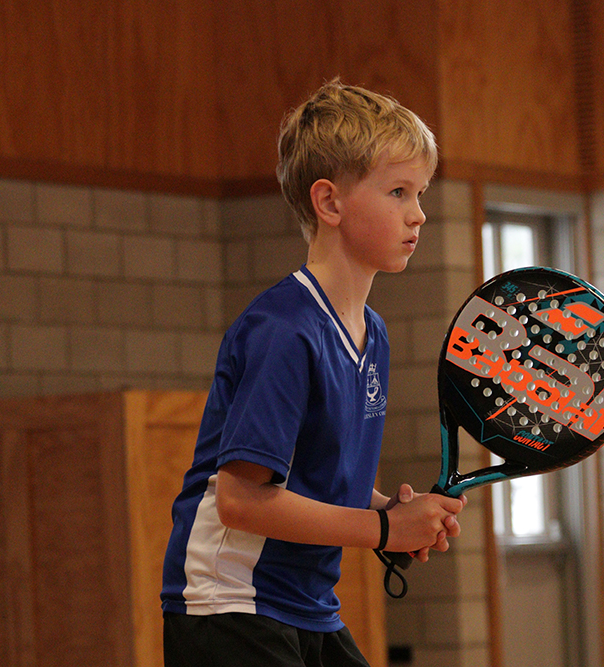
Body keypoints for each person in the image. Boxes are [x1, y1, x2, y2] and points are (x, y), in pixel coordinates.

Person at [160, 79, 465, 667]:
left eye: (420, 192)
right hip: (230, 608)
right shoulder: (284, 331)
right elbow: (242, 500)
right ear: (329, 203)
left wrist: (388, 511)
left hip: (306, 606)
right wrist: (382, 532)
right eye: (398, 191)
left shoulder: (372, 334)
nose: (419, 214)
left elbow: (317, 481)